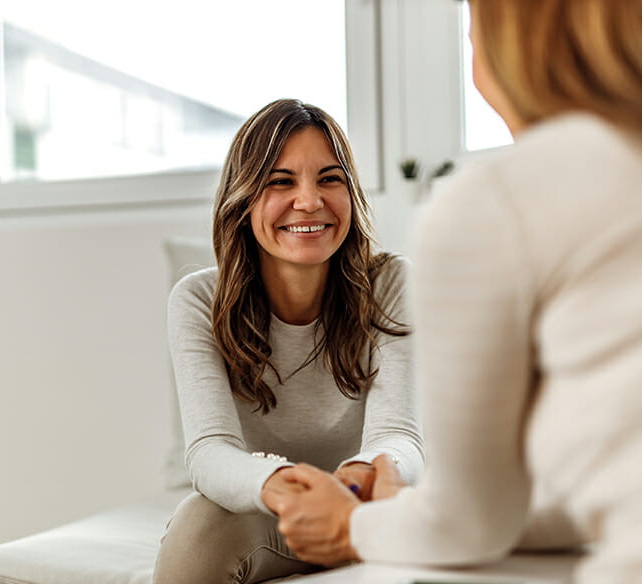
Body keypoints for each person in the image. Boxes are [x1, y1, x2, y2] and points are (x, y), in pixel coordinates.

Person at [263, 1, 642, 582]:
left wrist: (351, 526)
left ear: (509, 43)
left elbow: (471, 521)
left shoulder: (498, 203)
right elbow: (598, 491)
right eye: (281, 182)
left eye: (471, 30)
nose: (308, 201)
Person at [152, 98, 425, 583]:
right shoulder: (197, 300)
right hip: (269, 508)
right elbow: (210, 451)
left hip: (368, 508)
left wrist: (353, 483)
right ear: (244, 198)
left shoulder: (390, 284)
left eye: (329, 178)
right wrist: (283, 486)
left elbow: (398, 436)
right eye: (281, 181)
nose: (309, 201)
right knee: (199, 523)